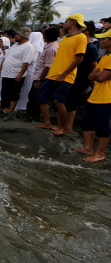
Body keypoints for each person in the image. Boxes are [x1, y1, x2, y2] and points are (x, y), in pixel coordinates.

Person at [35, 13, 87, 135]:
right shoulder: (65, 38)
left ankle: (62, 128)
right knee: (41, 97)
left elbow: (79, 59)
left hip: (66, 76)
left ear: (73, 22)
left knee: (58, 101)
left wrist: (64, 74)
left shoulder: (81, 37)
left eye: (66, 21)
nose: (64, 23)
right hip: (53, 73)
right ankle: (47, 123)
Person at [73, 29, 111, 162]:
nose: (100, 41)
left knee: (102, 126)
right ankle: (88, 148)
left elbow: (100, 77)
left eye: (103, 39)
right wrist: (99, 74)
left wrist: (99, 74)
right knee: (86, 122)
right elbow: (92, 75)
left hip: (107, 97)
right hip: (96, 96)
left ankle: (100, 154)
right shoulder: (105, 57)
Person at [65, 22, 99, 129]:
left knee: (72, 103)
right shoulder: (83, 46)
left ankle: (69, 126)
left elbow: (94, 66)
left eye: (79, 31)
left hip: (81, 79)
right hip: (74, 77)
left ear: (86, 33)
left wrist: (90, 81)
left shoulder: (91, 48)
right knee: (68, 101)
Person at [0, 27, 35, 114]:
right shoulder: (15, 45)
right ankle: (5, 110)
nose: (15, 36)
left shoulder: (28, 47)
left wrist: (20, 74)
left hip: (15, 74)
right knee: (5, 92)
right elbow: (6, 57)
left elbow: (26, 62)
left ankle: (10, 111)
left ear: (23, 36)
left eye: (18, 35)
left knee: (14, 93)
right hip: (6, 73)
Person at [31, 27, 61, 126]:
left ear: (46, 36)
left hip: (43, 76)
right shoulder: (53, 45)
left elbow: (48, 65)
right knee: (37, 97)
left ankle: (42, 119)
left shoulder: (51, 48)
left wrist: (40, 79)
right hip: (42, 75)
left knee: (40, 98)